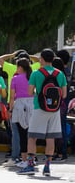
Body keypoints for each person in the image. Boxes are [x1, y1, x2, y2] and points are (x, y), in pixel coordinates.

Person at [18, 48, 67, 176]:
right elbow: (64, 94)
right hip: (54, 109)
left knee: (32, 137)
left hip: (39, 107)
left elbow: (30, 92)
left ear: (43, 59)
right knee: (50, 137)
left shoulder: (36, 73)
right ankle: (47, 166)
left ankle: (30, 165)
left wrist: (39, 94)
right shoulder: (60, 74)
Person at [6, 58, 33, 168]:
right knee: (31, 134)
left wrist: (10, 110)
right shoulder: (32, 77)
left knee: (21, 134)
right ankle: (31, 158)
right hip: (32, 105)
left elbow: (12, 97)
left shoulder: (15, 79)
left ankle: (24, 159)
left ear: (20, 67)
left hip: (20, 106)